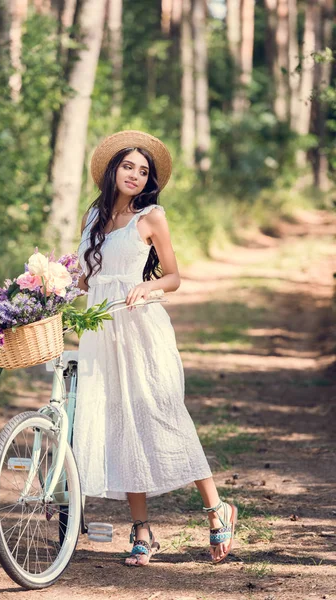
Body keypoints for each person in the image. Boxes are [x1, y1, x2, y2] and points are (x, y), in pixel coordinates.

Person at [72, 130, 237, 567]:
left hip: (142, 328)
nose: (136, 175)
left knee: (163, 413)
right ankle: (142, 529)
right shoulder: (94, 218)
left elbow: (174, 277)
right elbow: (86, 279)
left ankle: (216, 508)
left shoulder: (152, 217)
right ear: (112, 170)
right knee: (119, 421)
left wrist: (147, 286)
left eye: (144, 172)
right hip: (101, 332)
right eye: (128, 166)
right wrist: (49, 289)